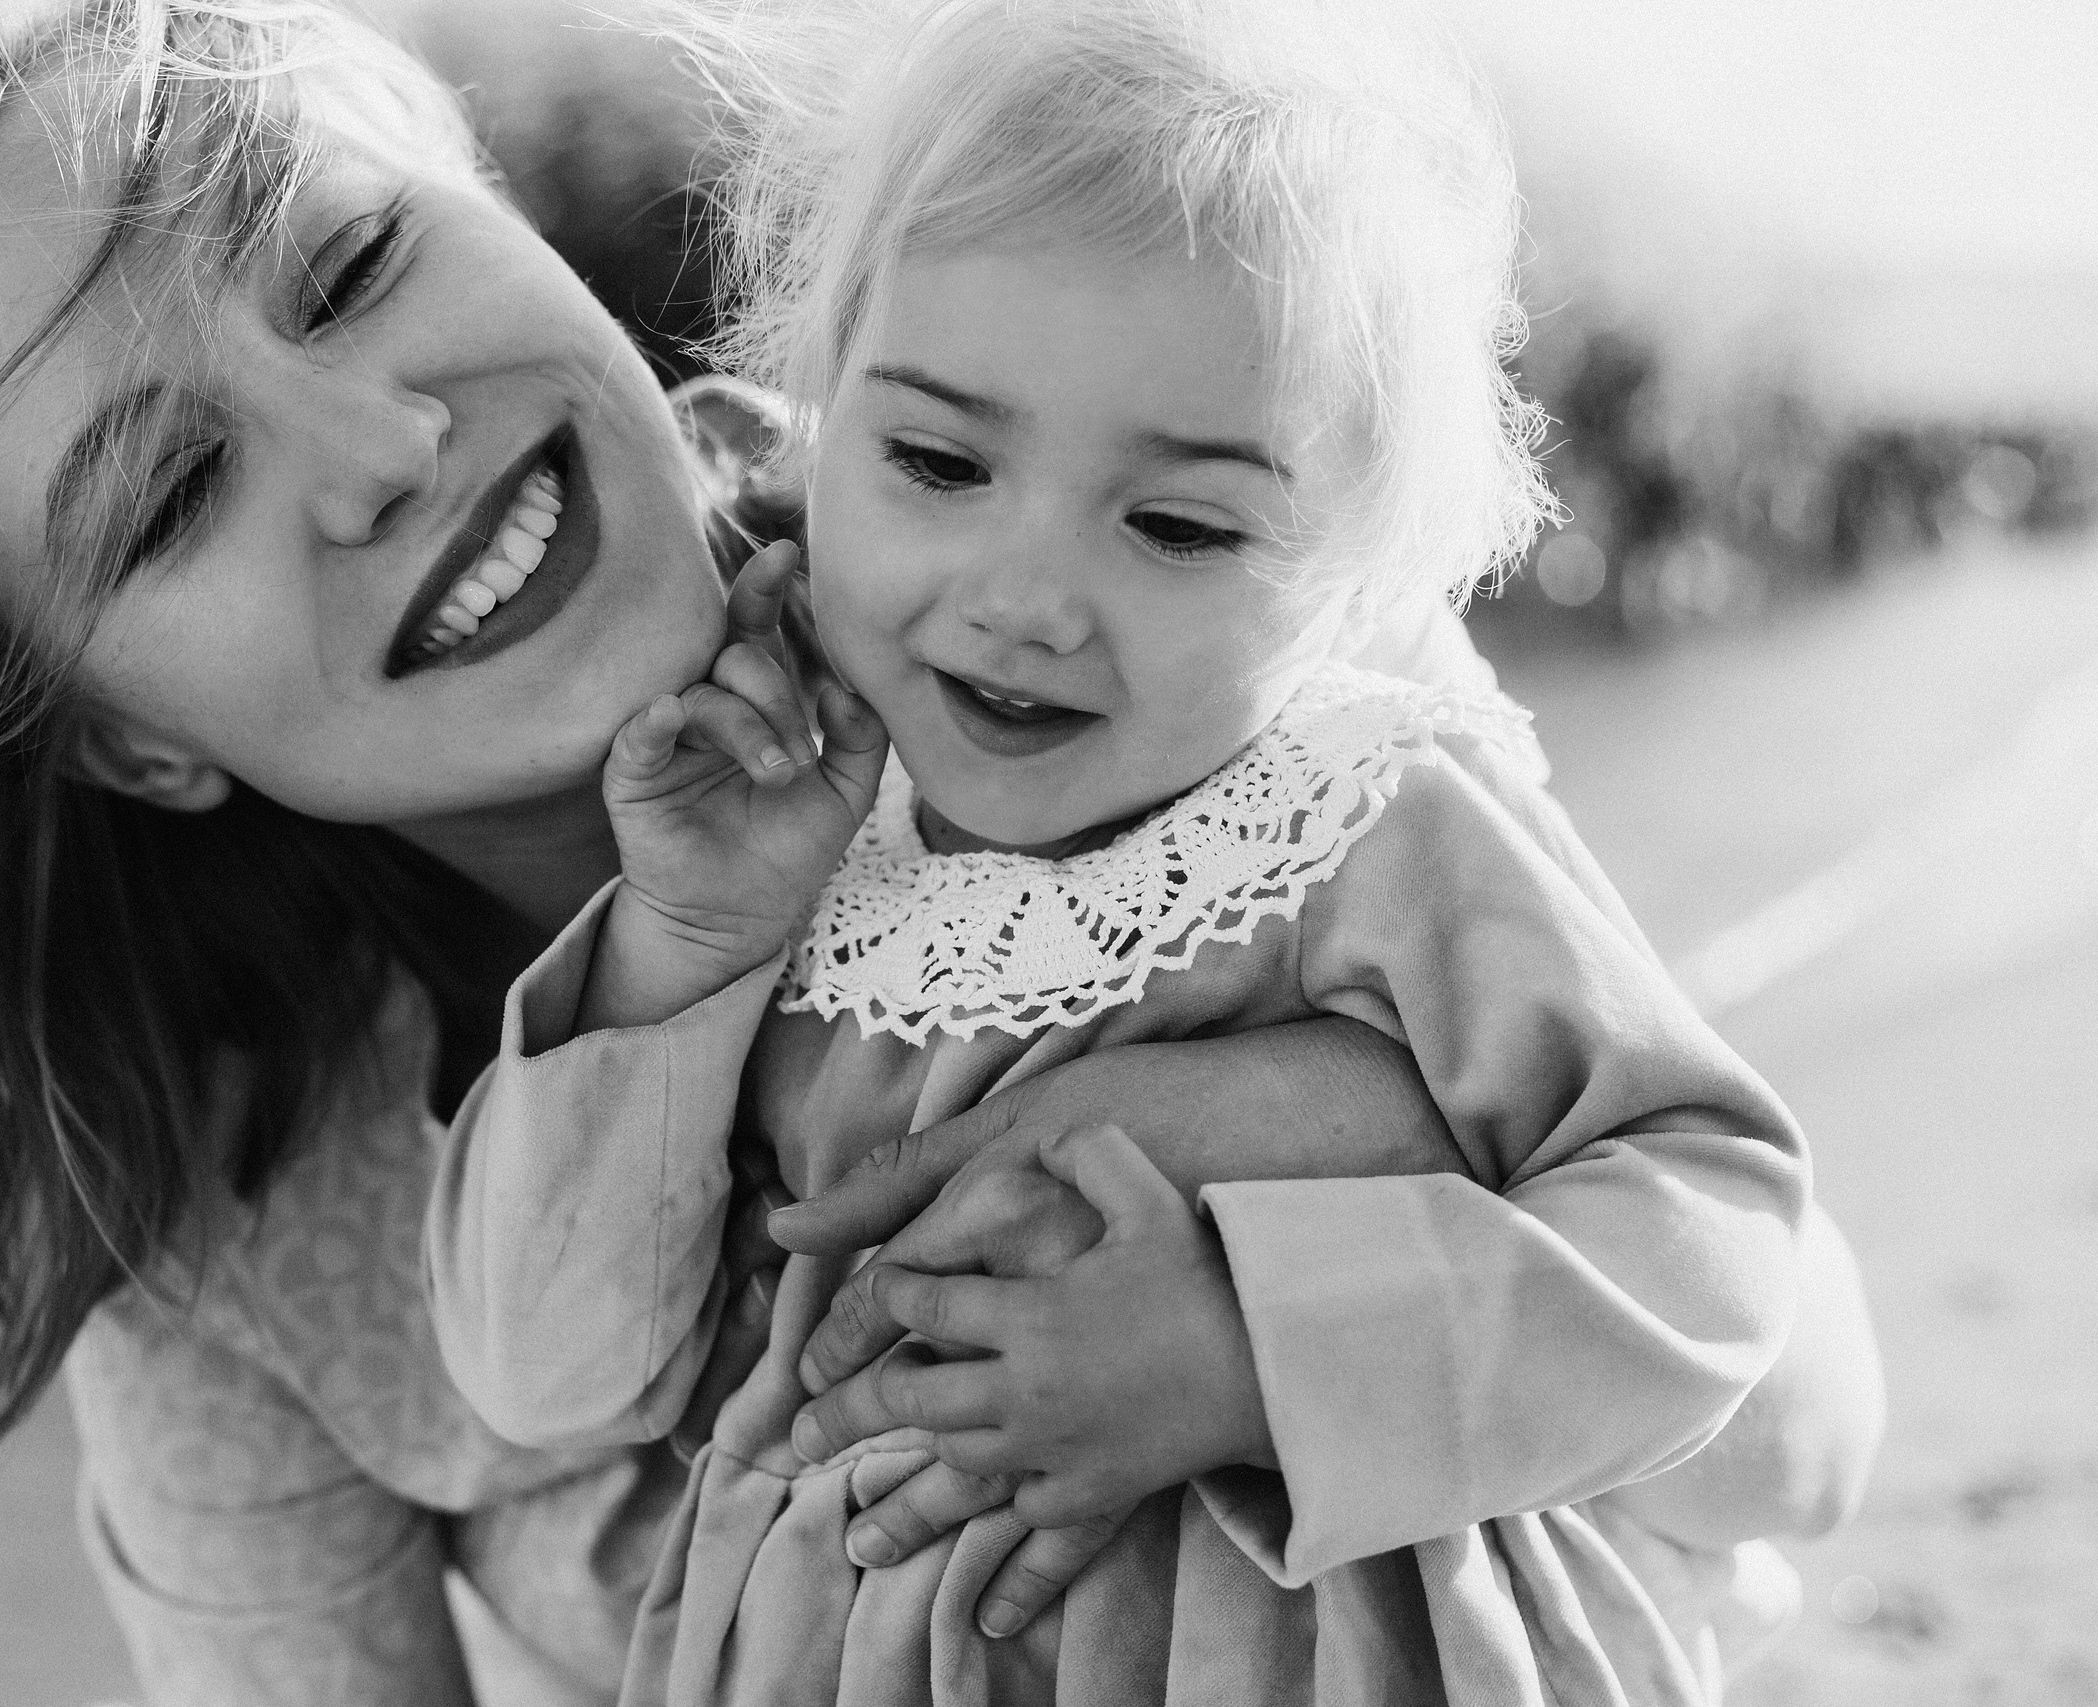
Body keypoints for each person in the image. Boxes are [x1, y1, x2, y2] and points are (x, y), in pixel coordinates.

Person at [0, 0, 1877, 1702]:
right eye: (165, 494)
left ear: (479, 192)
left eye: (351, 263)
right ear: (129, 746)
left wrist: (1264, 1240)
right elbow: (540, 1363)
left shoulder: (1127, 579)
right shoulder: (239, 1251)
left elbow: (1774, 1414)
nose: (367, 444)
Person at [426, 1, 1856, 1702]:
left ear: (1349, 566)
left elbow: (1707, 1231)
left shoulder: (1359, 820)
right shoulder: (772, 810)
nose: (1025, 598)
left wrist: (1254, 1353)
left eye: (1177, 523)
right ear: (816, 417)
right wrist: (680, 940)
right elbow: (545, 1368)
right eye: (937, 459)